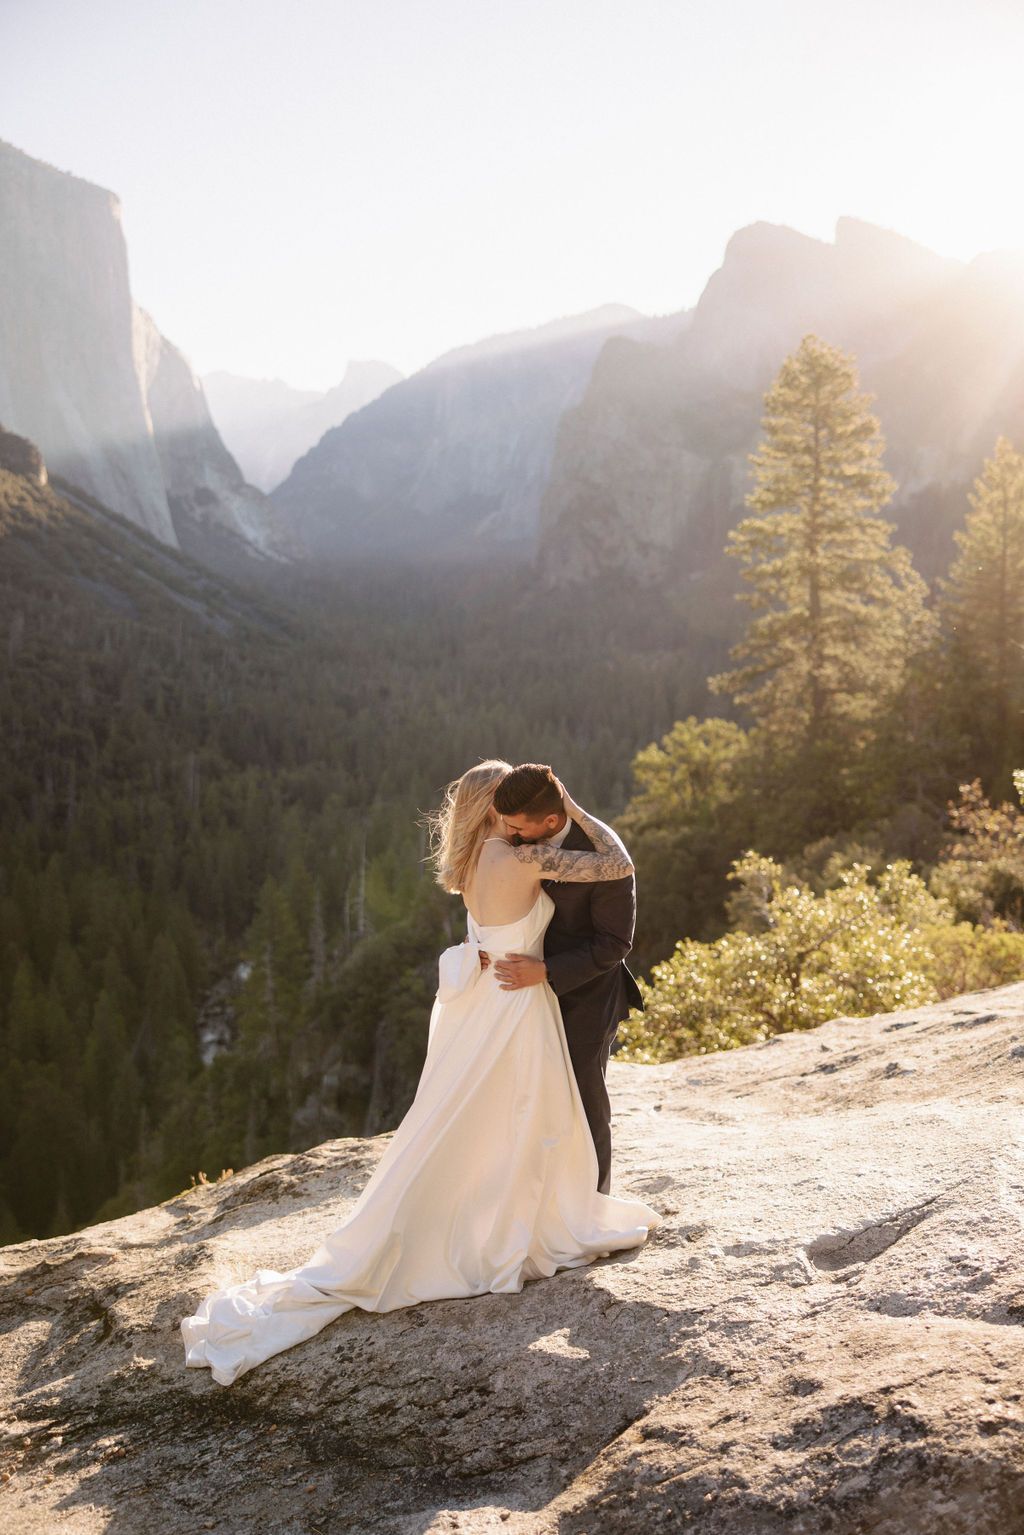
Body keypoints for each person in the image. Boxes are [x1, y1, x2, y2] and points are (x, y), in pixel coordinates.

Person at [181, 759, 658, 1386]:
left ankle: (500, 1200)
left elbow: (597, 926)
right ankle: (533, 1214)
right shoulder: (520, 858)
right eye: (509, 814)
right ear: (496, 812)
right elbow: (618, 864)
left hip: (494, 993)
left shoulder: (470, 859)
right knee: (524, 1106)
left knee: (474, 1109)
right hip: (517, 1000)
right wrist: (571, 808)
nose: (519, 826)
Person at [490, 763, 642, 1195]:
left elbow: (615, 943)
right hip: (523, 992)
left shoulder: (600, 853)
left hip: (587, 998)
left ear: (553, 821)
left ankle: (595, 1204)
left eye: (520, 827)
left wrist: (547, 972)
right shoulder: (517, 838)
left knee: (584, 1099)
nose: (512, 836)